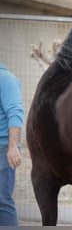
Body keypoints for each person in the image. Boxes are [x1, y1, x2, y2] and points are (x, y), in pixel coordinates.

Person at [0, 63, 24, 226]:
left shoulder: (6, 80)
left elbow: (15, 113)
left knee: (2, 201)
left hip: (2, 149)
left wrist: (12, 147)